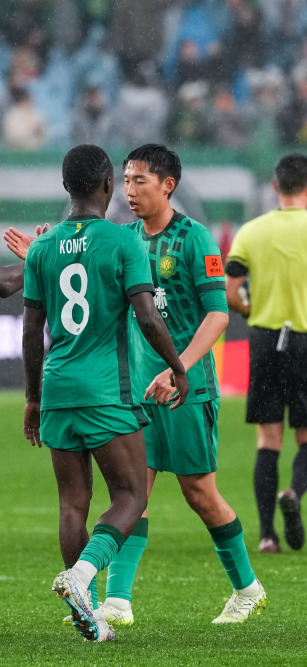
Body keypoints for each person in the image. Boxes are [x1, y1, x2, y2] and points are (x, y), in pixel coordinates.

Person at [68, 144, 264, 626]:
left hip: (187, 390)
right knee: (132, 492)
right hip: (136, 392)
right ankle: (118, 600)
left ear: (167, 185)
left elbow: (218, 314)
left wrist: (180, 368)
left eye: (140, 181)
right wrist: (37, 258)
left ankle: (247, 589)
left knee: (200, 495)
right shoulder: (124, 238)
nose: (129, 191)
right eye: (126, 180)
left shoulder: (195, 239)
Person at [22, 144, 188, 642]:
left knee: (72, 504)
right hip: (105, 390)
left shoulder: (43, 247)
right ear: (109, 186)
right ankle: (82, 576)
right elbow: (147, 317)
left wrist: (33, 397)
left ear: (65, 186)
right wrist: (178, 367)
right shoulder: (121, 241)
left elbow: (31, 329)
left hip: (57, 387)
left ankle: (88, 614)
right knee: (132, 495)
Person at [225, 154, 307, 554]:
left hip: (265, 339)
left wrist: (249, 309)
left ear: (275, 187)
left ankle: (266, 535)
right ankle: (293, 491)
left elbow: (230, 291)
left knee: (268, 438)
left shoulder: (251, 232)